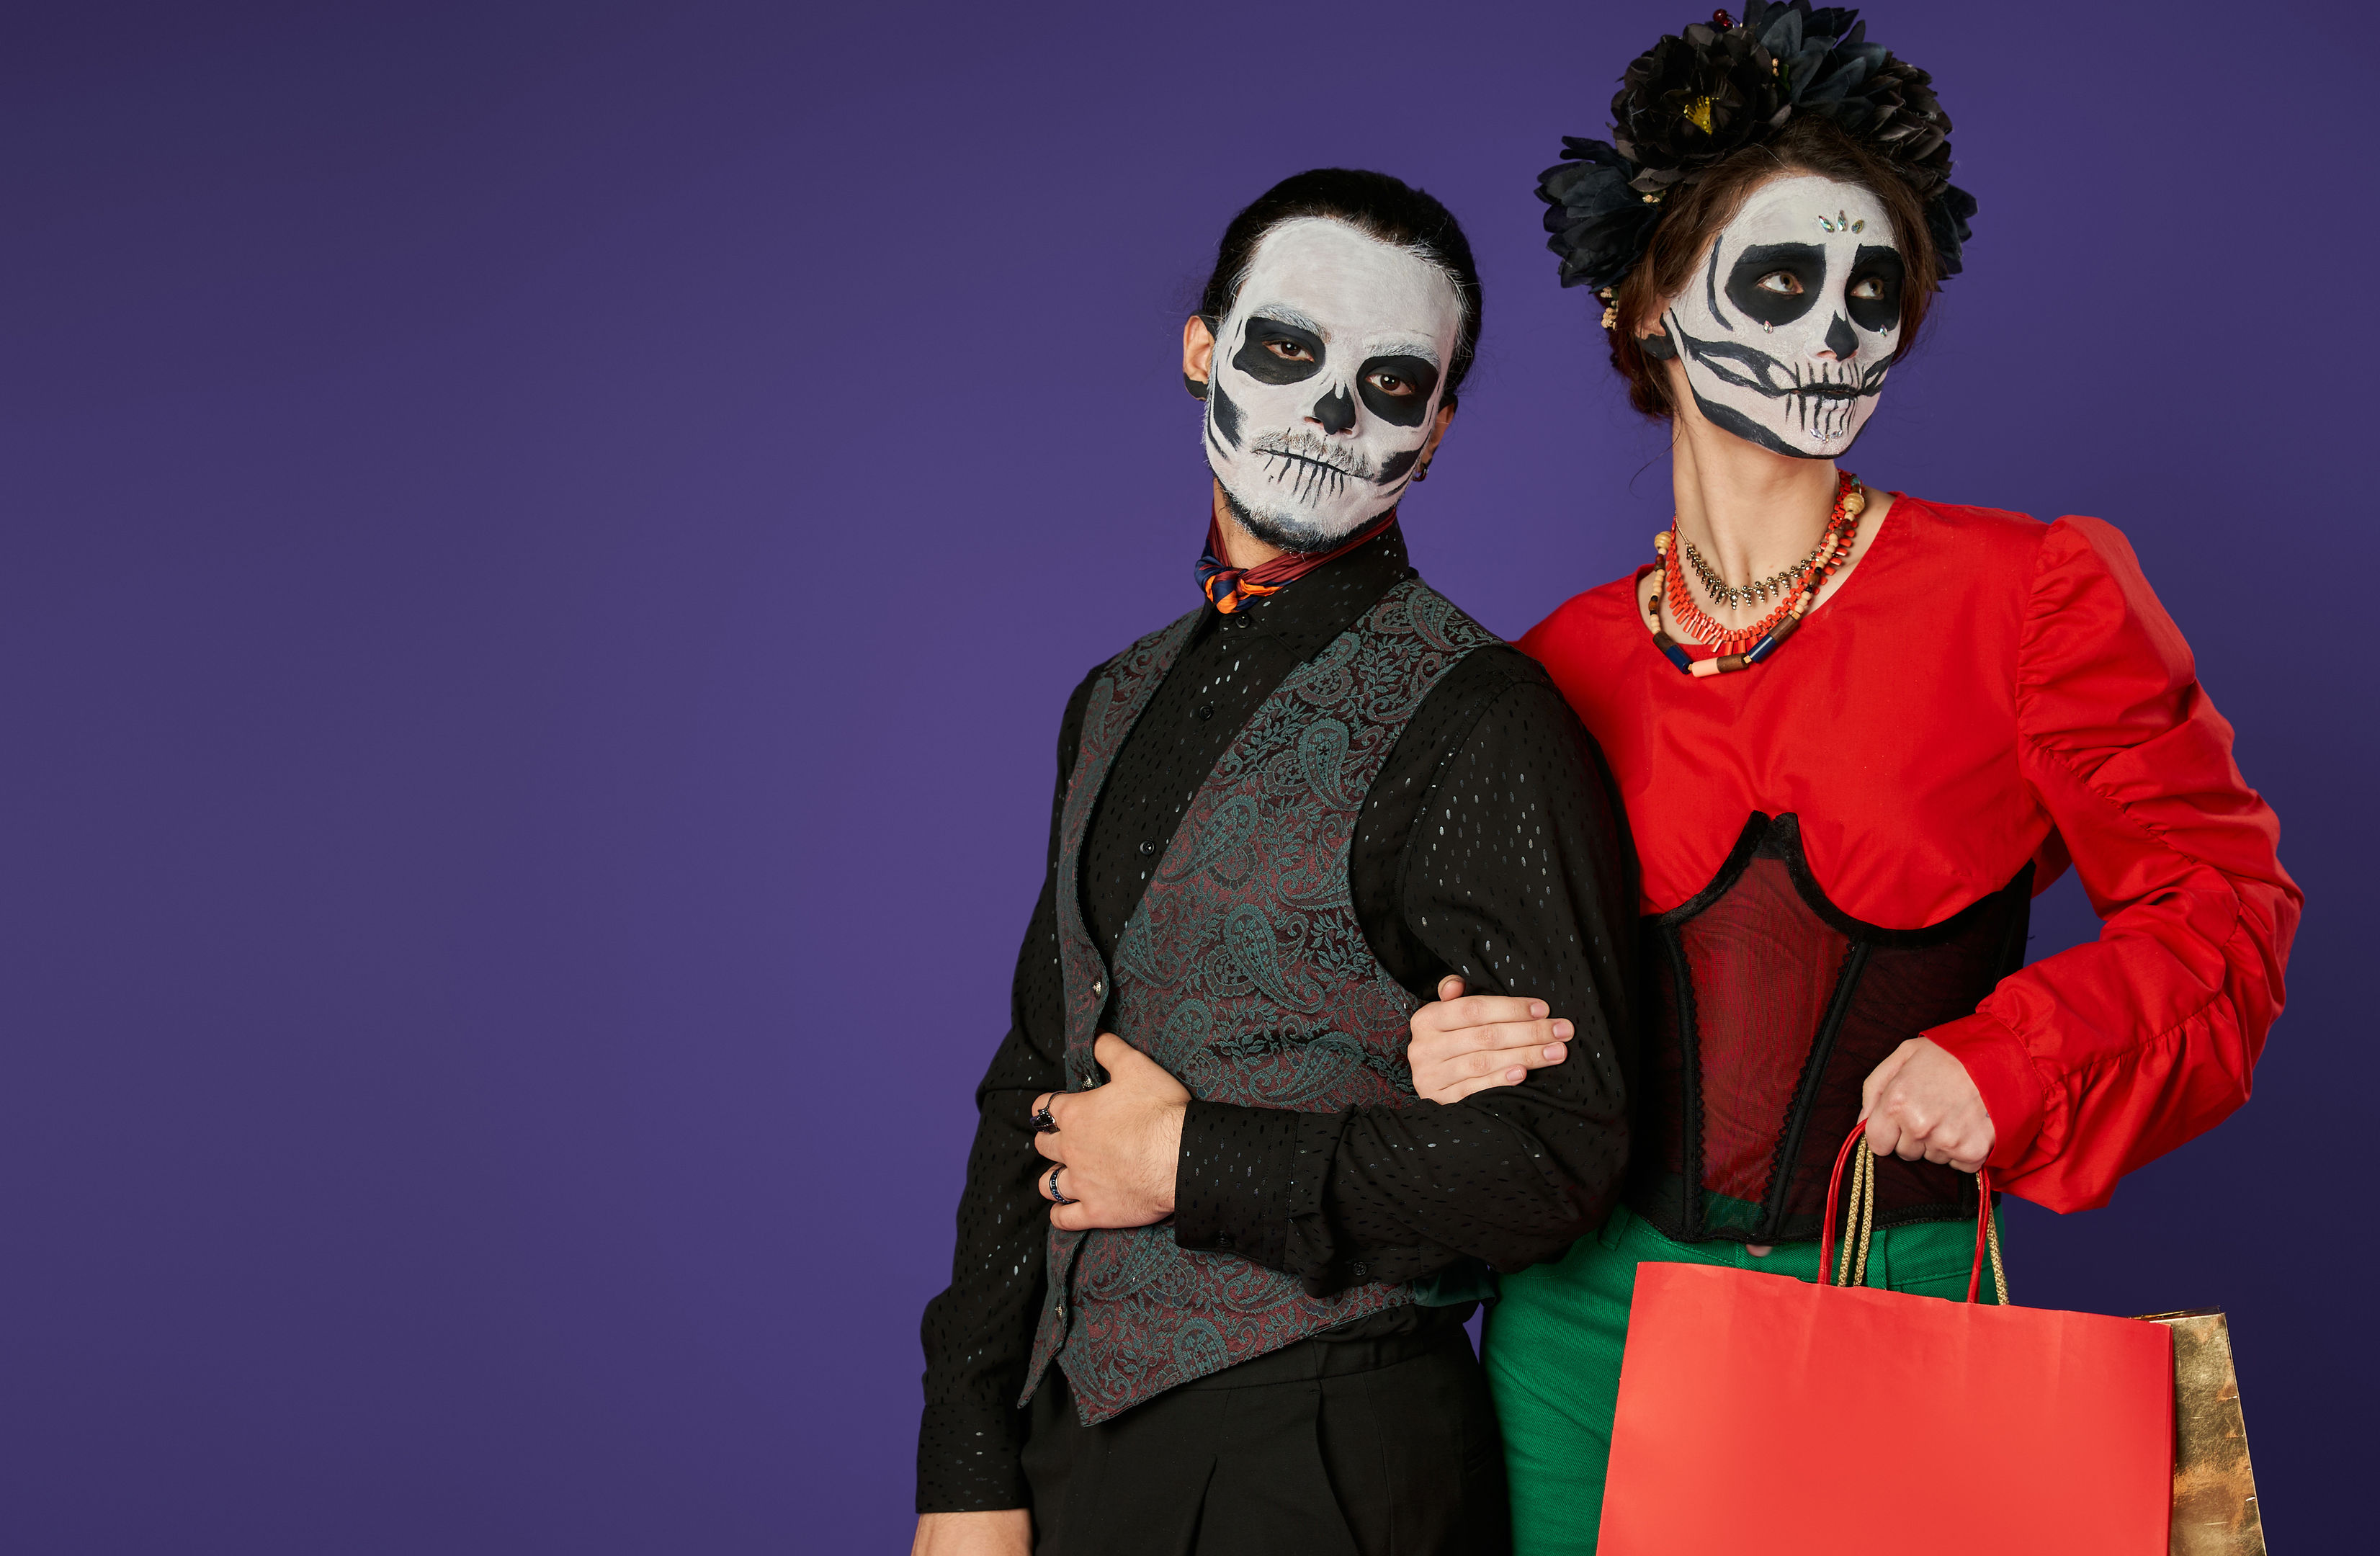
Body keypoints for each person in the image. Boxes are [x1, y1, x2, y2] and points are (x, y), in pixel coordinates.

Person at [1400, 7, 2304, 1552]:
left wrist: (2010, 1060)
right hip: (1570, 1342)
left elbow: (2227, 919)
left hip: (1885, 1310)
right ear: (1645, 310)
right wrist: (1447, 1047)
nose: (1832, 332)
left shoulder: (2034, 598)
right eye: (1779, 278)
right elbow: (1471, 1008)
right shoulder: (1549, 670)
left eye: (1871, 291)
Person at [909, 168, 1639, 1556]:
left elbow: (1553, 1164)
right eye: (1288, 352)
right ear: (1203, 349)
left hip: (1329, 1460)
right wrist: (967, 1461)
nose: (1324, 414)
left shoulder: (1487, 721)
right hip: (1074, 1449)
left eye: (1391, 382)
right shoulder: (1113, 696)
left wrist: (1193, 1161)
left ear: (1435, 436)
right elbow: (1034, 1072)